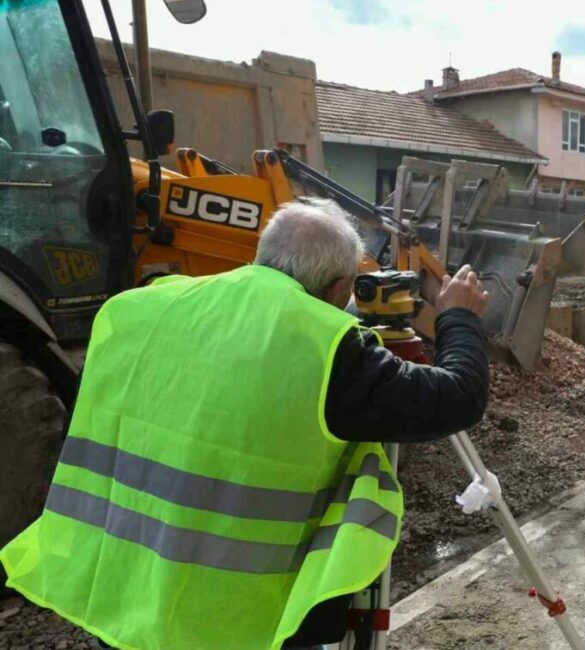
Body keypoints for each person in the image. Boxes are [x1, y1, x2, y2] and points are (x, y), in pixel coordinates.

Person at [0, 200, 491, 650]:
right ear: (340, 289)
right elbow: (458, 398)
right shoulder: (326, 348)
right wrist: (458, 319)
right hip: (236, 626)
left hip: (124, 596)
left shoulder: (139, 309)